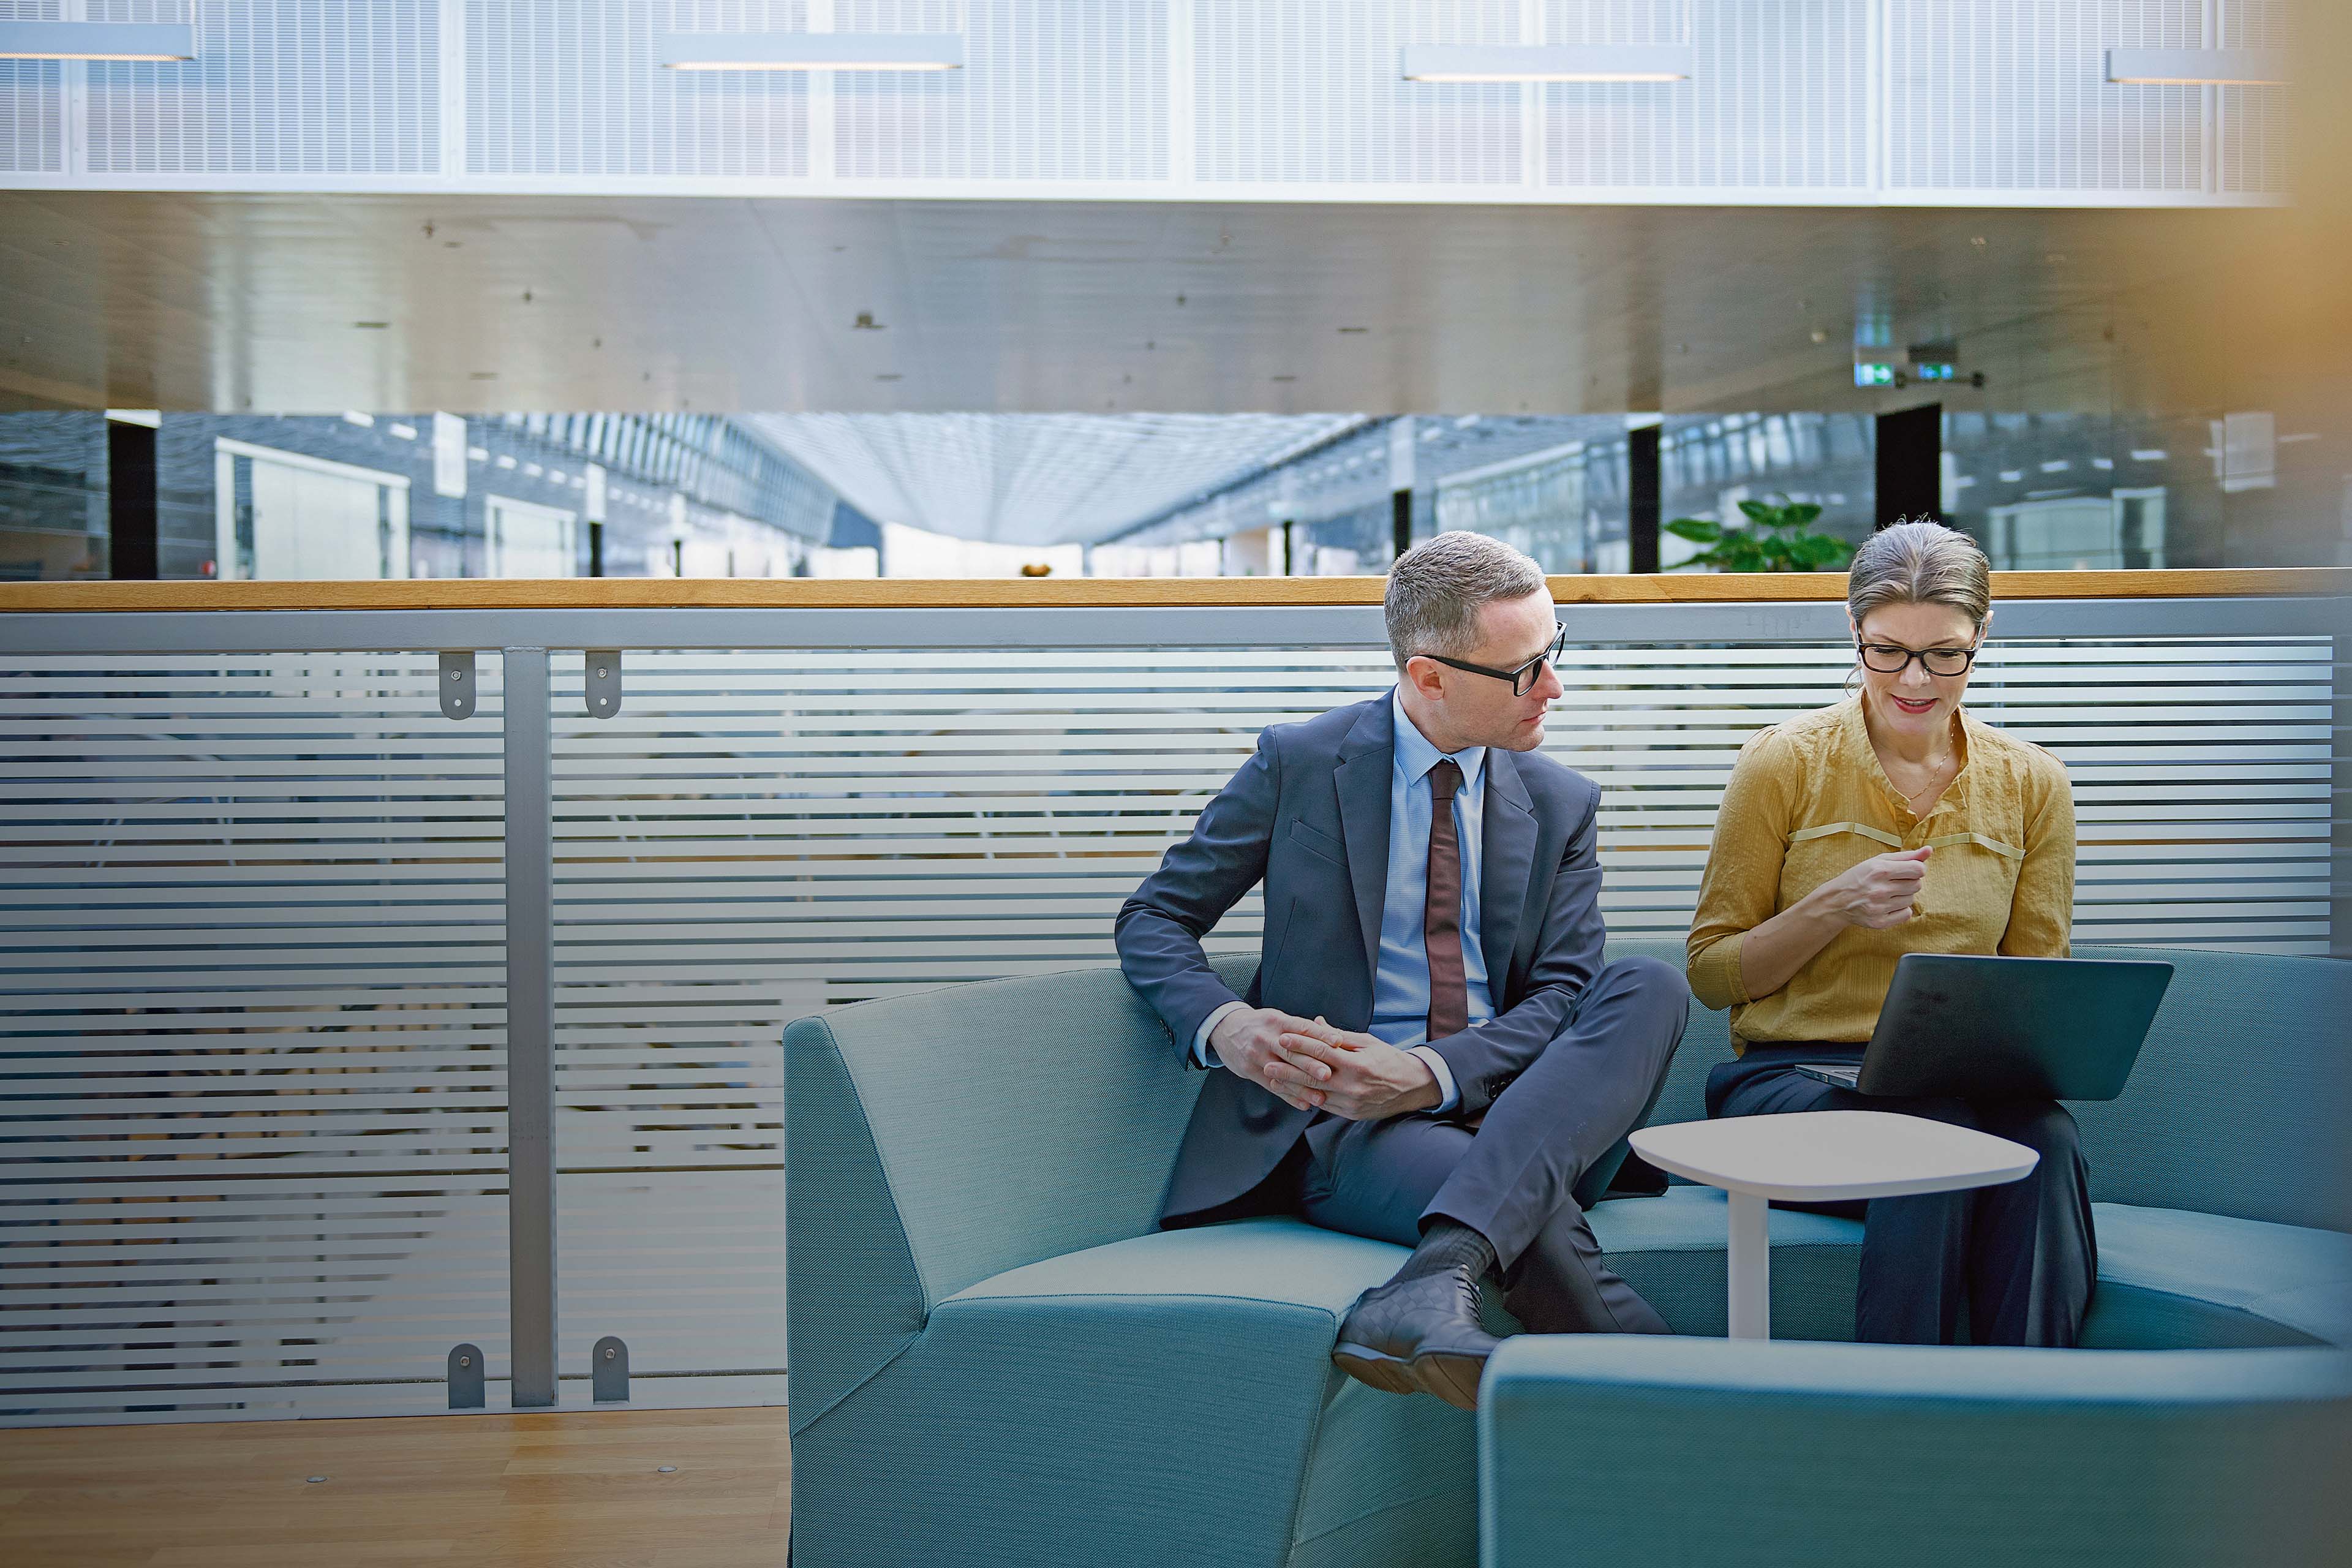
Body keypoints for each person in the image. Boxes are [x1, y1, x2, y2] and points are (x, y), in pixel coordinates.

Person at [1116, 530, 1689, 1411]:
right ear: (1430, 677)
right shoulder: (1300, 764)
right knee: (1530, 1215)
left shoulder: (1561, 802)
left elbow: (1566, 994)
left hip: (1534, 1106)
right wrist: (1226, 1026)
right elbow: (1156, 916)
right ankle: (1709, 1421)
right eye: (1525, 670)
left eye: (1555, 651)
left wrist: (1430, 1074)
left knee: (1650, 984)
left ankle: (1436, 1278)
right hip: (1349, 1129)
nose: (1555, 687)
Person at [1686, 518, 2092, 1346]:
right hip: (1790, 1080)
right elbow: (1712, 973)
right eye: (1887, 651)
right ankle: (1905, 1416)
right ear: (1853, 631)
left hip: (1956, 1091)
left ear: (1981, 637)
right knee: (1929, 1131)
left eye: (1945, 654)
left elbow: (2037, 985)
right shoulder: (1783, 763)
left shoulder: (2034, 784)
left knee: (2045, 1138)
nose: (1915, 679)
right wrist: (1832, 906)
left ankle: (2040, 1410)